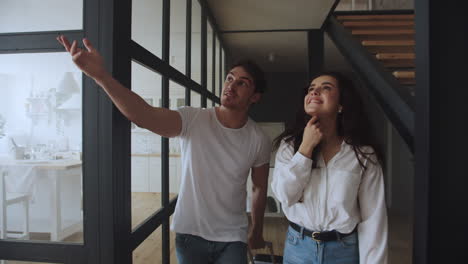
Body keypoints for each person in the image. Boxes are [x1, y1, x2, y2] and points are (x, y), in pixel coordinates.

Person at [56, 35, 271, 264]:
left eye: (242, 83)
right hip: (190, 234)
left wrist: (256, 230)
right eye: (230, 78)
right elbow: (144, 115)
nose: (231, 85)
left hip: (233, 236)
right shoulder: (194, 119)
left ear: (255, 97)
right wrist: (101, 77)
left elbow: (259, 187)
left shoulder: (258, 139)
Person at [271, 72, 388, 264]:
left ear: (341, 104)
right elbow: (285, 196)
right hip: (298, 247)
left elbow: (374, 219)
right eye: (311, 89)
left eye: (326, 87)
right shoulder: (289, 145)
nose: (315, 91)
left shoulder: (362, 153)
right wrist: (305, 149)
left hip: (343, 251)